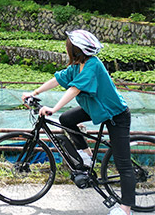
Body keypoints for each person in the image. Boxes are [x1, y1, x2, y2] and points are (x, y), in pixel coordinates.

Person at [22, 30, 135, 215]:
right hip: (96, 109)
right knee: (67, 119)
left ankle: (126, 209)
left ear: (75, 49)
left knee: (123, 164)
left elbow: (74, 89)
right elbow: (58, 79)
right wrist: (34, 93)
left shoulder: (92, 65)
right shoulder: (77, 66)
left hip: (116, 115)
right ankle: (87, 156)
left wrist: (54, 108)